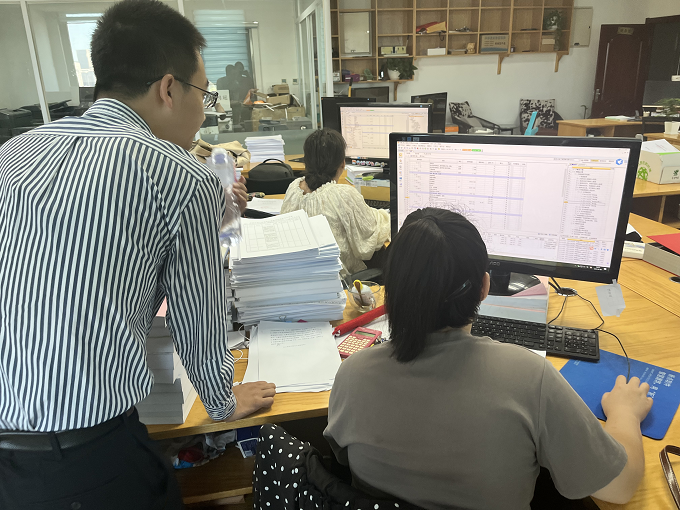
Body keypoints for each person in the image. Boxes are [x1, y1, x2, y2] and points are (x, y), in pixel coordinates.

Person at [0, 1, 274, 508]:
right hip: (85, 459)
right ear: (169, 89)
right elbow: (198, 313)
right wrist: (221, 401)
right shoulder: (181, 177)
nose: (205, 110)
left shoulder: (15, 152)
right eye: (204, 94)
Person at [324, 207, 653, 509]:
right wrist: (625, 413)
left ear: (390, 288)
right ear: (484, 286)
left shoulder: (352, 376)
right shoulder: (528, 378)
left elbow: (341, 458)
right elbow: (620, 487)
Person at [280, 128, 390, 275]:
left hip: (298, 276)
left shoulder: (294, 188)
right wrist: (386, 216)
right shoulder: (343, 194)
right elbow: (367, 241)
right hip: (337, 280)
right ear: (342, 163)